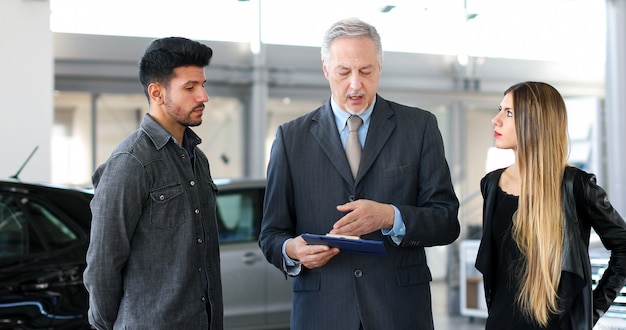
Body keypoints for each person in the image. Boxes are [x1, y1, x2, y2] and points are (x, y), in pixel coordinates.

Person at [258, 18, 460, 330]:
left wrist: (390, 217)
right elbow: (271, 234)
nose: (355, 84)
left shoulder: (419, 128)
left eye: (366, 71)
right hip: (321, 314)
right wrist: (292, 250)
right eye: (343, 72)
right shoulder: (290, 138)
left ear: (380, 66)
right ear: (326, 69)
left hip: (400, 313)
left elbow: (446, 221)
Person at [83, 37, 223, 330]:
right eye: (190, 87)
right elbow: (103, 264)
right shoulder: (130, 161)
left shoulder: (199, 160)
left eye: (203, 84)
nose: (203, 96)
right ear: (157, 93)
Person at [475, 81, 626, 329]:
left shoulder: (575, 186)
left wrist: (589, 312)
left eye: (508, 112)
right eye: (500, 109)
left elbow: (623, 247)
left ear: (535, 121)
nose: (496, 119)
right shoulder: (491, 185)